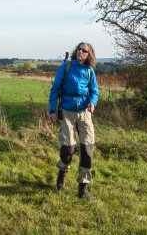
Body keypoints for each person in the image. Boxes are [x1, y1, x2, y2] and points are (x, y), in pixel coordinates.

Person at [49, 42, 99, 199]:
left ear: (89, 54)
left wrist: (93, 101)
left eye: (85, 51)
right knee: (68, 149)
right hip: (67, 112)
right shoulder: (67, 67)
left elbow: (94, 91)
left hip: (85, 113)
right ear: (76, 51)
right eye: (79, 49)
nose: (81, 52)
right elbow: (55, 89)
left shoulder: (90, 71)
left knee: (87, 150)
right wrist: (52, 110)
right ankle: (62, 172)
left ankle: (83, 188)